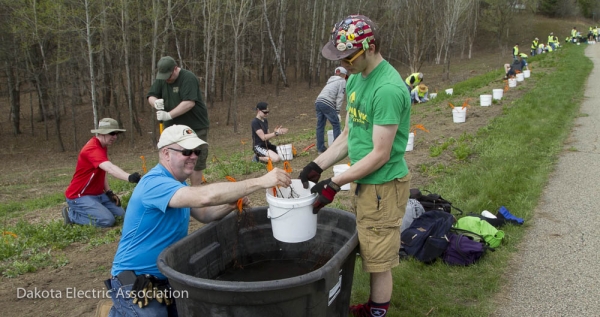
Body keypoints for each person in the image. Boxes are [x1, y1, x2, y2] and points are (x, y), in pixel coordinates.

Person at [106, 125, 291, 317]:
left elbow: (203, 214)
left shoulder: (178, 183)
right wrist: (259, 181)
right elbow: (205, 197)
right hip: (134, 282)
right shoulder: (154, 184)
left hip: (167, 278)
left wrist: (229, 205)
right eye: (186, 151)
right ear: (166, 153)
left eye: (196, 151)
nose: (193, 156)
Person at [300, 14, 411, 317]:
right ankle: (376, 306)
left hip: (384, 184)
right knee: (371, 245)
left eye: (349, 57)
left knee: (379, 256)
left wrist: (335, 183)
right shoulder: (355, 81)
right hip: (364, 181)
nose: (344, 64)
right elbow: (349, 134)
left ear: (370, 47)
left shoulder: (387, 89)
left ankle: (377, 312)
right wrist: (317, 164)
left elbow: (380, 154)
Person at [63, 118, 141, 228]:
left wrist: (109, 192)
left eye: (116, 133)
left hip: (97, 194)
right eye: (112, 133)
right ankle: (72, 215)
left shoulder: (102, 146)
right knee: (107, 221)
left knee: (121, 215)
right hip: (79, 196)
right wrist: (129, 177)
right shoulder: (92, 149)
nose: (115, 137)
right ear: (101, 133)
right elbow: (110, 168)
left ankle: (95, 208)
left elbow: (102, 170)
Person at [147, 56, 209, 186]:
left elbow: (189, 103)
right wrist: (155, 102)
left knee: (194, 160)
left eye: (168, 76)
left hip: (194, 127)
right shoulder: (162, 79)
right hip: (172, 130)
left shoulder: (188, 78)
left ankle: (195, 194)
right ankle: (174, 191)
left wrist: (168, 115)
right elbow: (151, 95)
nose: (166, 79)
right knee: (171, 160)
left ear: (175, 69)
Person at [315, 66, 347, 154]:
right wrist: (337, 112)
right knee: (336, 124)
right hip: (327, 102)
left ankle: (320, 148)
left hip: (318, 101)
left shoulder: (330, 81)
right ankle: (336, 147)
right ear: (344, 75)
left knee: (320, 126)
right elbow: (340, 97)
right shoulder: (342, 81)